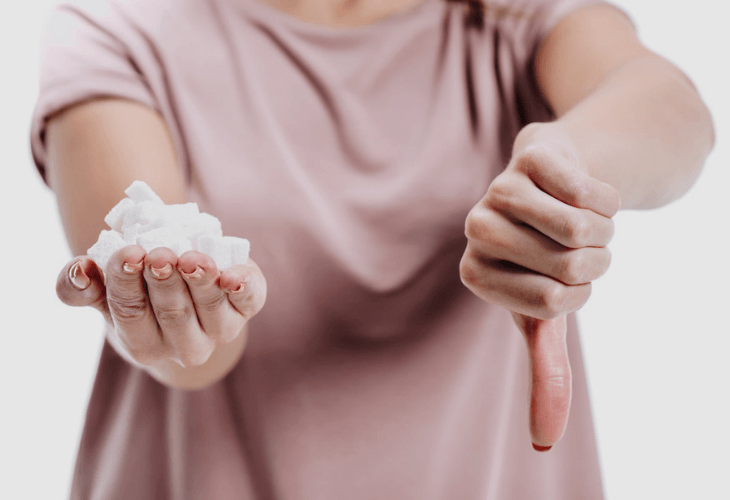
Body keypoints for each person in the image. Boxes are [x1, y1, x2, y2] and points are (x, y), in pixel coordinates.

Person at [31, 0, 714, 498]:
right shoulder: (120, 27)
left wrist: (569, 164)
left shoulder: (518, 19)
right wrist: (180, 324)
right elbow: (193, 355)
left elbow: (669, 108)